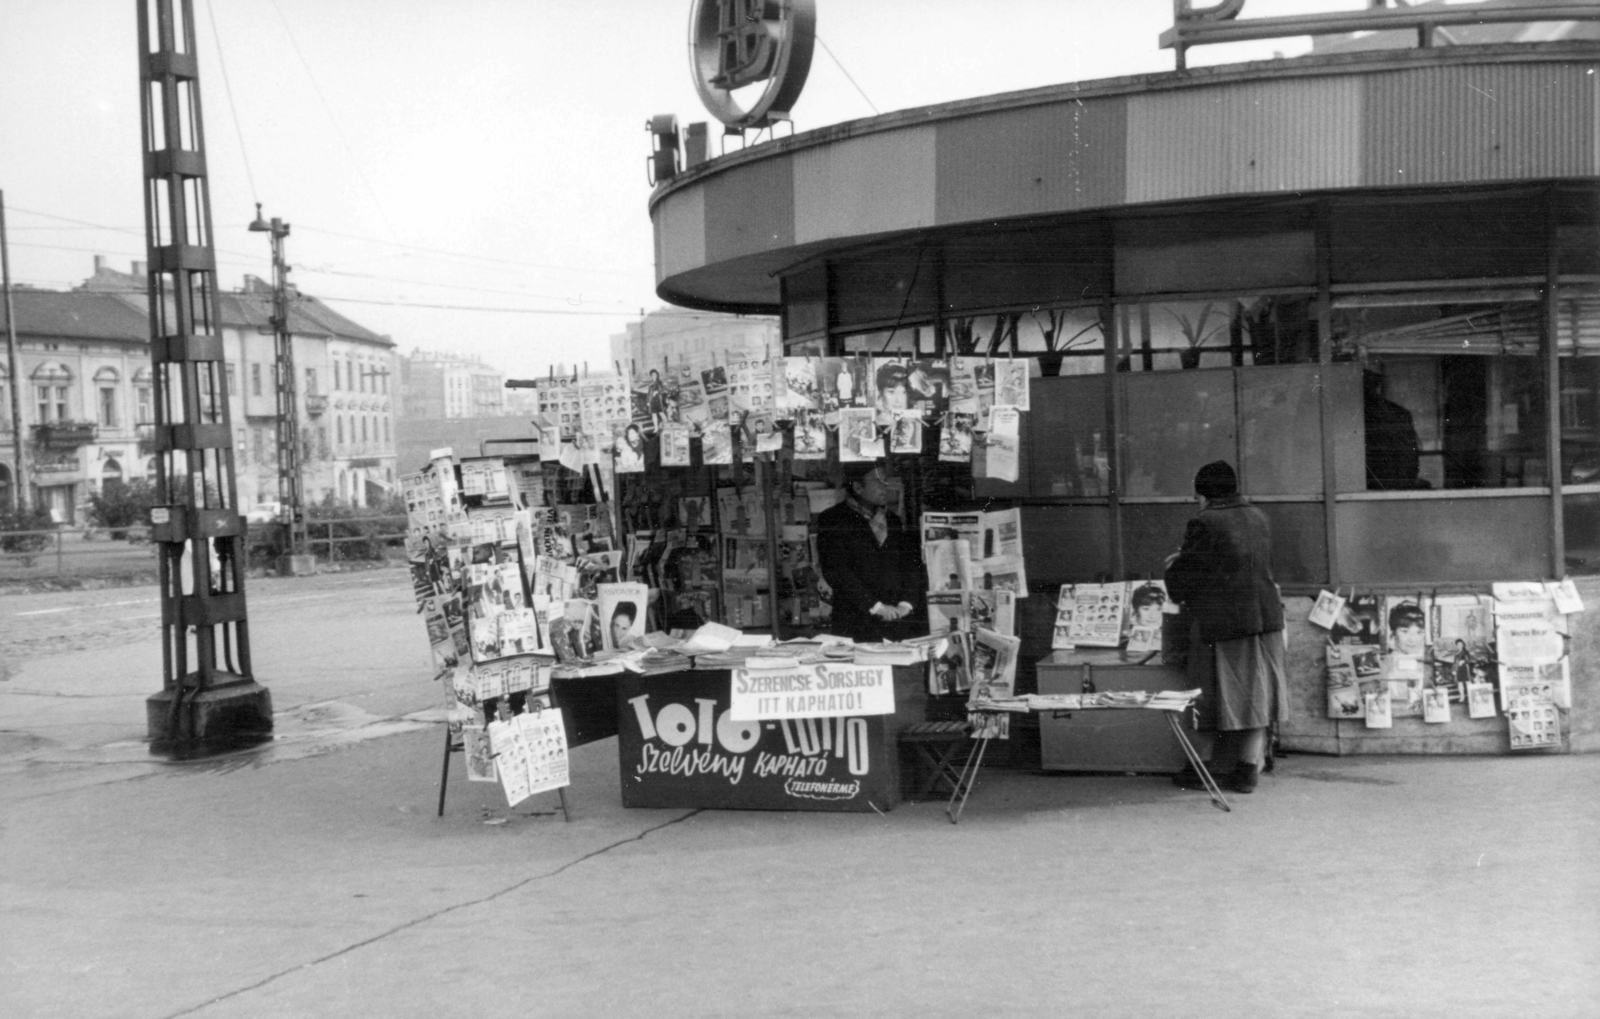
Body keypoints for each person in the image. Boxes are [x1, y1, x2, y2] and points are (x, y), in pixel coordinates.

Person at [1164, 460, 1288, 794]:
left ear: (1202, 494)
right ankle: (1248, 769)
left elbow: (1184, 581)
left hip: (1226, 624)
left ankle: (1202, 768)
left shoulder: (1204, 521)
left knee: (1208, 694)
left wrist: (1174, 565)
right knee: (1257, 696)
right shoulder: (1259, 517)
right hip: (1267, 621)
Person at [816, 464, 924, 643]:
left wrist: (906, 603)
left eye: (885, 480)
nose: (885, 486)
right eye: (878, 481)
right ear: (858, 487)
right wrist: (875, 606)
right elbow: (836, 571)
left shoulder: (893, 521)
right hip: (855, 622)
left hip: (896, 622)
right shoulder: (833, 519)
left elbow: (910, 565)